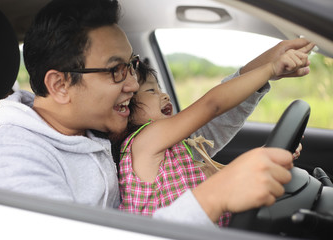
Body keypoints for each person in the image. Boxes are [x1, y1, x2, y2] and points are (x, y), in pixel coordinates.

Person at [0, 0, 312, 227]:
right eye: (116, 70)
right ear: (60, 85)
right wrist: (213, 197)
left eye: (132, 66)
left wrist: (269, 62)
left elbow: (195, 136)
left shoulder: (96, 127)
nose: (133, 84)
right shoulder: (8, 161)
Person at [117, 43, 311, 225]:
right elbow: (213, 105)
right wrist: (270, 69)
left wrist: (265, 155)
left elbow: (220, 180)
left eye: (160, 89)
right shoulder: (144, 142)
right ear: (126, 104)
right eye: (151, 91)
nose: (165, 96)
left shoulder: (177, 148)